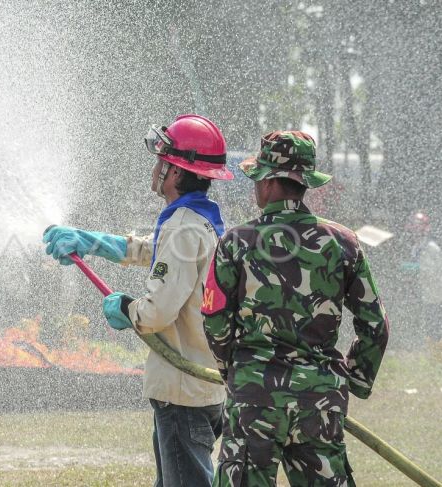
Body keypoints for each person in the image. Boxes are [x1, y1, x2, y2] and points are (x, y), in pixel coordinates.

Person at [44, 114, 234, 487]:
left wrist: (127, 309)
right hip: (201, 388)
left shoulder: (183, 225)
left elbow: (157, 311)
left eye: (161, 161)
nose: (156, 168)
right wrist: (94, 242)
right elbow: (161, 253)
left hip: (183, 392)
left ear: (175, 172)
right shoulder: (202, 220)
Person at [201, 130, 389, 486]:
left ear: (270, 182)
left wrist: (232, 372)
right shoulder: (343, 243)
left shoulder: (237, 242)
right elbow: (375, 325)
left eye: (257, 178)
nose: (255, 187)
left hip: (254, 398)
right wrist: (353, 380)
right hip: (319, 401)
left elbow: (215, 319)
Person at [401, 210, 442, 342]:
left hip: (436, 296)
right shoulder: (416, 247)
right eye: (413, 227)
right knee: (427, 325)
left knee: (436, 328)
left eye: (417, 227)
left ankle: (438, 355)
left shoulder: (431, 248)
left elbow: (432, 272)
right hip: (426, 294)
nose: (414, 231)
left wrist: (413, 268)